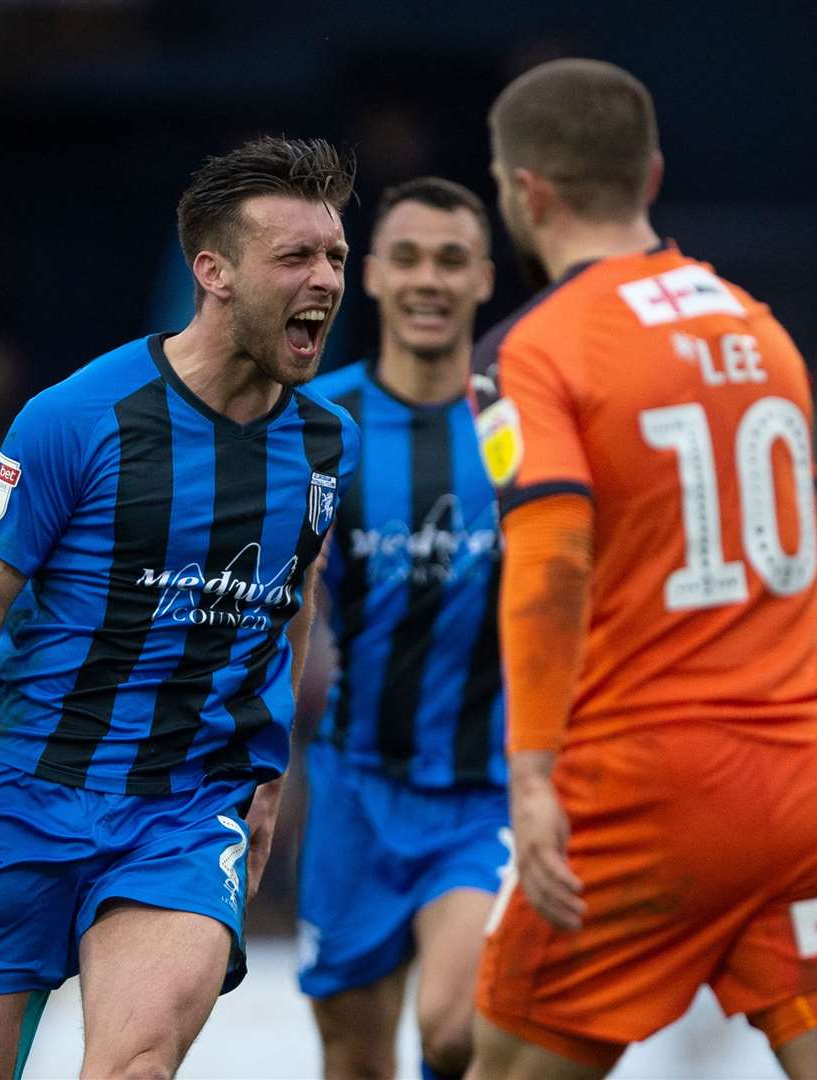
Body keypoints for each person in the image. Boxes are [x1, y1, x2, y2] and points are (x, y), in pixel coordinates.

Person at [0, 135, 361, 1080]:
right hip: (25, 797)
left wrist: (273, 771)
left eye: (333, 255)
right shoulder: (76, 418)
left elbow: (293, 604)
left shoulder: (327, 446)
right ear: (212, 272)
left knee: (133, 1065)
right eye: (294, 257)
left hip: (185, 809)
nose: (325, 279)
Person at [468, 59, 817, 1079]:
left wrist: (532, 776)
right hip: (806, 780)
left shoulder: (528, 351)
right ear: (651, 173)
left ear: (525, 190)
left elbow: (546, 559)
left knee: (492, 1061)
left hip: (642, 786)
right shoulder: (760, 332)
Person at [296, 177, 503, 1080]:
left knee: (456, 1030)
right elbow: (283, 608)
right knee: (352, 1055)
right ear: (372, 276)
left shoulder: (518, 425)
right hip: (353, 791)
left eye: (451, 260)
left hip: (482, 796)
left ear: (483, 280)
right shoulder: (318, 425)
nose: (429, 279)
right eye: (409, 258)